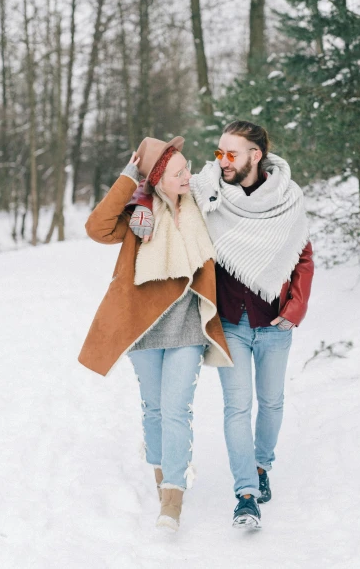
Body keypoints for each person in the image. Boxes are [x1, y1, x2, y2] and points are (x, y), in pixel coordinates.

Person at [129, 121, 314, 530]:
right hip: (230, 319)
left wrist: (295, 309)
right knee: (237, 407)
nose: (223, 161)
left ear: (255, 155)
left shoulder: (287, 198)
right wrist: (141, 199)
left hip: (275, 320)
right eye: (219, 152)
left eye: (232, 154)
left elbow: (302, 256)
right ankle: (246, 494)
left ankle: (261, 465)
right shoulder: (207, 189)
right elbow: (161, 184)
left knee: (272, 403)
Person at [78, 136, 232, 532]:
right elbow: (96, 227)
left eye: (187, 168)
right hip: (142, 325)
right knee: (155, 408)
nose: (187, 175)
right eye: (178, 171)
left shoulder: (201, 204)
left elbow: (224, 181)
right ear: (159, 177)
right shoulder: (138, 214)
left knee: (177, 408)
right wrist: (130, 178)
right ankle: (163, 472)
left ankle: (173, 497)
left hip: (187, 325)